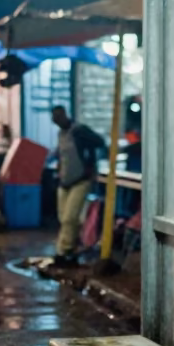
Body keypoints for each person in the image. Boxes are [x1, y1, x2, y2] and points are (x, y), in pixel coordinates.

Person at [51, 106, 106, 263]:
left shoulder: (79, 131)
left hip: (81, 180)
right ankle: (73, 247)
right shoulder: (61, 134)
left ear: (65, 115)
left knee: (70, 217)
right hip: (64, 181)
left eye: (58, 117)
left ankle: (63, 251)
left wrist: (91, 165)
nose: (57, 121)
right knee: (64, 218)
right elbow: (62, 155)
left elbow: (100, 142)